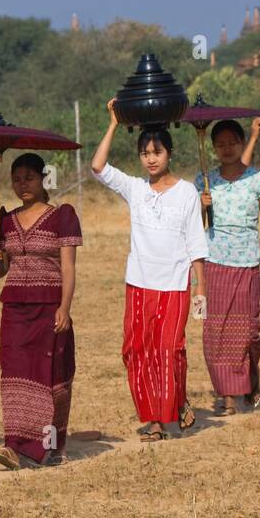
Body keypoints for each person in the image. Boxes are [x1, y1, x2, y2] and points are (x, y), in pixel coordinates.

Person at [92, 101, 207, 442]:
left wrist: (201, 289)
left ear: (169, 153)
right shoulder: (135, 189)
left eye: (157, 151)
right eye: (145, 153)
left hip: (175, 284)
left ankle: (177, 402)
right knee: (135, 351)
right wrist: (113, 123)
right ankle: (154, 420)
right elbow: (98, 167)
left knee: (170, 350)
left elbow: (196, 243)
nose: (151, 158)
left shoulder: (187, 193)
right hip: (139, 283)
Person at [0, 153, 82, 469]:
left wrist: (64, 308)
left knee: (51, 377)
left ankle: (53, 445)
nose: (22, 184)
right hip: (14, 308)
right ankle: (14, 445)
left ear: (43, 179)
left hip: (49, 306)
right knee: (15, 374)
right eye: (16, 179)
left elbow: (69, 268)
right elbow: (2, 272)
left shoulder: (62, 216)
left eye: (29, 177)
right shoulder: (5, 220)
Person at [196, 116, 260, 414]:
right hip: (214, 261)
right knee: (215, 330)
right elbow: (198, 227)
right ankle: (227, 395)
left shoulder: (259, 178)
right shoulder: (205, 180)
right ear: (214, 148)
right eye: (220, 144)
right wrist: (201, 207)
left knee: (247, 332)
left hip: (247, 263)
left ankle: (249, 381)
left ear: (242, 143)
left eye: (233, 142)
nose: (227, 148)